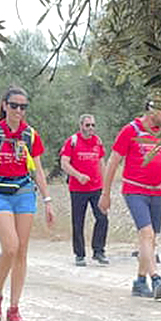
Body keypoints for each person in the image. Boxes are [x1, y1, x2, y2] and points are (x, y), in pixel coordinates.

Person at [0, 86, 54, 321]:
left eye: (23, 106)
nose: (19, 110)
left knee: (21, 252)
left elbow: (38, 169)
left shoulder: (30, 135)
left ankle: (14, 309)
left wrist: (48, 200)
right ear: (5, 105)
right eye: (14, 105)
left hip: (24, 192)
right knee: (10, 247)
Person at [99, 100, 161, 300]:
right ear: (151, 110)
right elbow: (113, 161)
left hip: (158, 191)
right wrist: (105, 193)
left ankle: (140, 281)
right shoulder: (131, 130)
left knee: (152, 239)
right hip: (135, 190)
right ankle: (156, 279)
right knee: (146, 233)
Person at [60, 114, 108, 266]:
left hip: (96, 187)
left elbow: (102, 163)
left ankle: (98, 251)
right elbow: (64, 163)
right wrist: (77, 175)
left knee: (102, 218)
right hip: (78, 189)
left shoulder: (98, 142)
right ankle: (79, 254)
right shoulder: (72, 142)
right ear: (81, 126)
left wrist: (106, 184)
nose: (91, 128)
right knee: (78, 221)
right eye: (87, 125)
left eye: (93, 125)